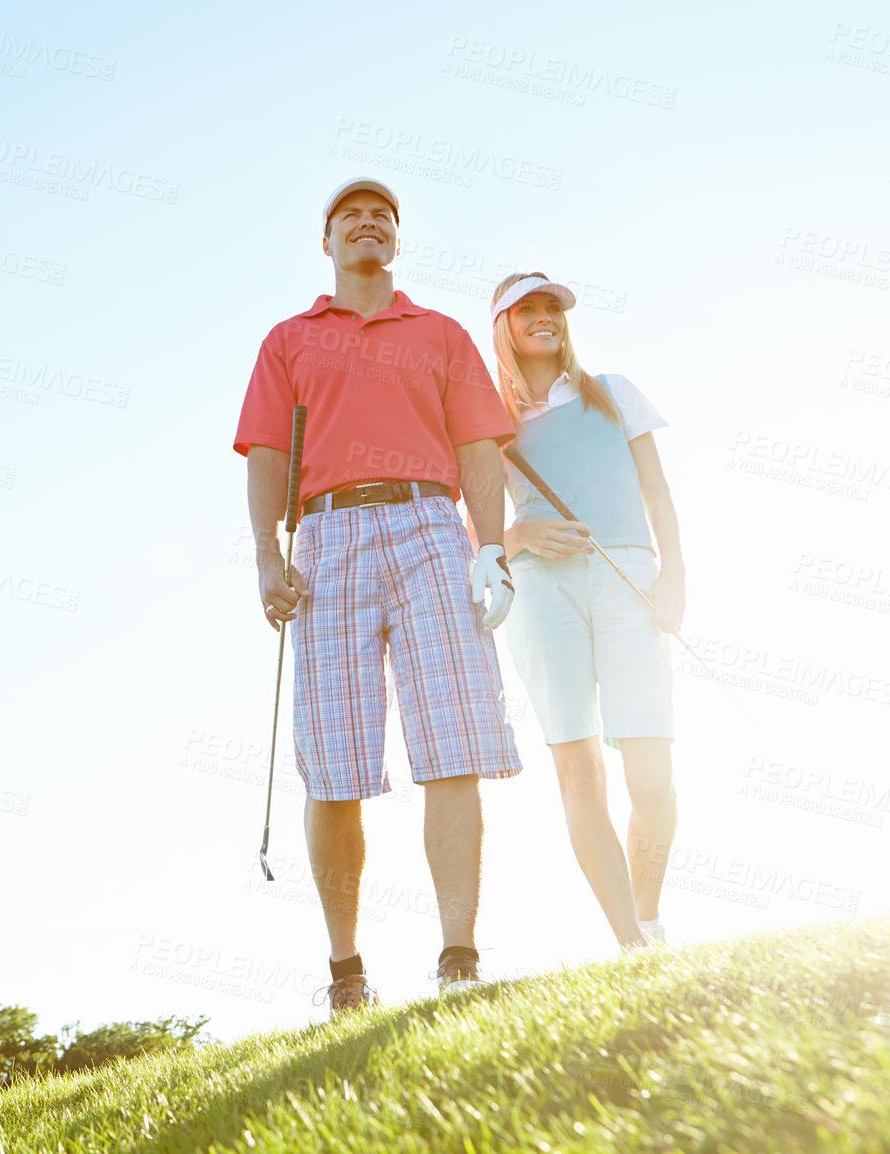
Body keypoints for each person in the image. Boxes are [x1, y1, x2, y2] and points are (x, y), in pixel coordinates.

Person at [233, 178, 524, 1014]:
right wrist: (265, 556)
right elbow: (264, 457)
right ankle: (347, 971)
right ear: (326, 243)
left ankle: (459, 957)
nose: (368, 224)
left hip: (432, 527)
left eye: (383, 218)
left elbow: (478, 448)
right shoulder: (289, 339)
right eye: (351, 217)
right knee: (334, 769)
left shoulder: (439, 333)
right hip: (326, 538)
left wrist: (493, 549)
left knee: (455, 742)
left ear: (396, 242)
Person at [487, 271, 685, 951]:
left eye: (552, 308)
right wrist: (517, 538)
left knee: (652, 772)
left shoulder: (613, 392)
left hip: (626, 571)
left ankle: (648, 914)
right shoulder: (488, 421)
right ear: (504, 326)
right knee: (579, 772)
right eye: (528, 310)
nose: (545, 318)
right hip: (544, 590)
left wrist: (675, 574)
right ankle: (631, 943)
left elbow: (657, 491)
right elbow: (467, 523)